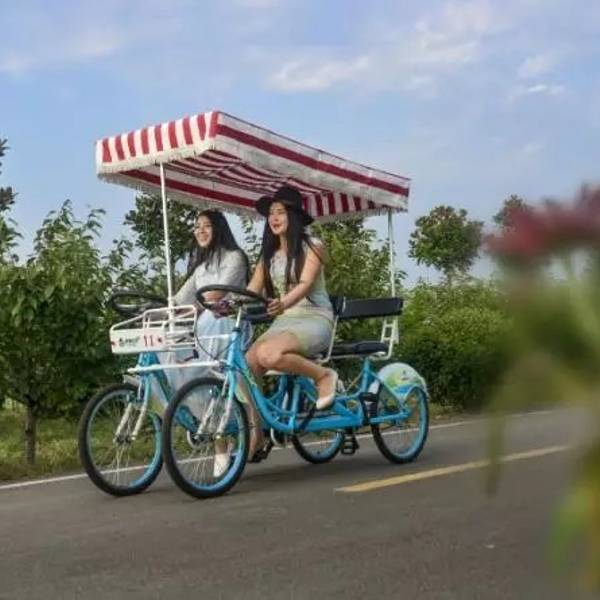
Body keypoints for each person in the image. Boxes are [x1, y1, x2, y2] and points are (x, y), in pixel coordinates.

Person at [245, 185, 338, 459]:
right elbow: (250, 291)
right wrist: (224, 304)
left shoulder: (314, 246)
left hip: (315, 317)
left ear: (294, 216)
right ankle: (256, 433)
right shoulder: (269, 255)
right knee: (246, 366)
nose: (274, 218)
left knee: (268, 354)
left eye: (280, 212)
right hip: (284, 322)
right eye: (271, 213)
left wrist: (283, 303)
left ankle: (323, 376)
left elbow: (305, 284)